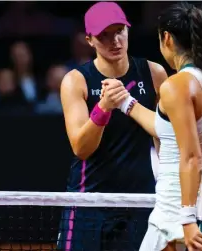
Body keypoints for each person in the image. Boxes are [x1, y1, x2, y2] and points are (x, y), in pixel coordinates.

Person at [101, 3, 202, 251]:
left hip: (178, 213)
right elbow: (168, 133)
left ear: (166, 38)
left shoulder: (175, 85)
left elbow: (191, 156)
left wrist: (188, 219)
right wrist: (126, 102)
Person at [57, 2, 168, 251]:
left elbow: (165, 139)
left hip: (139, 203)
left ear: (128, 30)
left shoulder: (154, 74)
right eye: (104, 35)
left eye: (119, 31)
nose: (114, 41)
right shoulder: (76, 81)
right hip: (88, 204)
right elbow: (81, 148)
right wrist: (104, 108)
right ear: (89, 40)